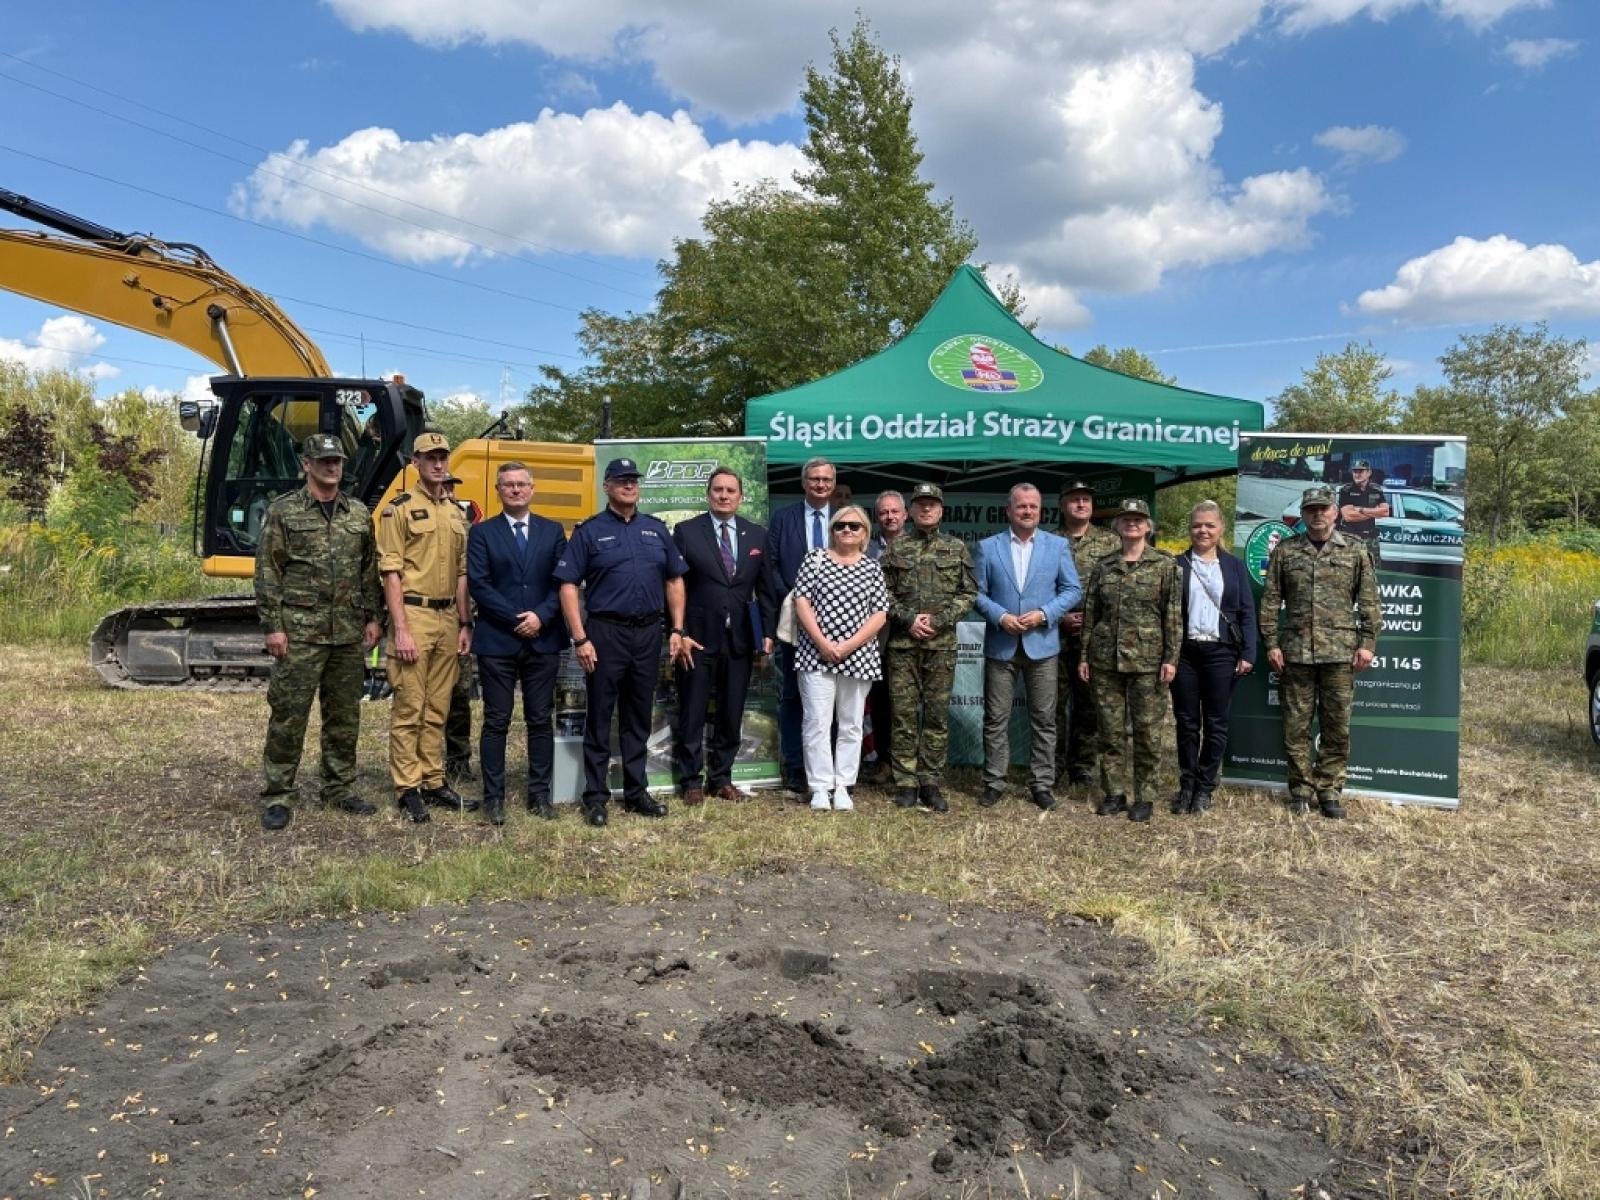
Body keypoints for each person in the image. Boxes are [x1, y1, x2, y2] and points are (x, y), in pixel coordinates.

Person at [254, 433, 384, 831]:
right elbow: (268, 571)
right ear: (307, 464)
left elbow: (368, 571)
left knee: (344, 716)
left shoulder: (357, 513)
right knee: (289, 716)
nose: (332, 466)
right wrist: (274, 627)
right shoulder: (284, 511)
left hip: (346, 632)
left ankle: (338, 788)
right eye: (324, 460)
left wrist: (374, 618)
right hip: (300, 633)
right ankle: (278, 794)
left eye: (337, 460)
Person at [556, 457, 690, 828]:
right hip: (605, 633)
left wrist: (677, 629)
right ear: (607, 486)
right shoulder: (589, 531)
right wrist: (579, 637)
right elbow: (568, 585)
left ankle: (636, 793)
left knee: (638, 716)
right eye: (621, 480)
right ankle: (596, 796)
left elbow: (675, 580)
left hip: (648, 633)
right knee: (600, 716)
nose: (629, 485)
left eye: (633, 480)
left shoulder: (656, 530)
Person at [1260, 485, 1382, 818]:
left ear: (1335, 512)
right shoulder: (1286, 551)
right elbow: (1270, 601)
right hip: (1296, 652)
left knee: (1336, 725)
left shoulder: (1355, 550)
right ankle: (1300, 790)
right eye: (1311, 509)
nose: (1317, 514)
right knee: (1295, 726)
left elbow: (1369, 601)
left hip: (1340, 653)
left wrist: (1368, 644)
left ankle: (1329, 790)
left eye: (1323, 508)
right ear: (1302, 514)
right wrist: (1271, 643)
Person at [379, 431, 476, 822]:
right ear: (415, 462)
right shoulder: (399, 510)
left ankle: (434, 781)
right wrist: (401, 628)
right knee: (409, 706)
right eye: (429, 457)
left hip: (448, 617)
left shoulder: (456, 513)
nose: (438, 464)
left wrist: (465, 623)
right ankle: (407, 787)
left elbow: (463, 573)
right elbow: (391, 572)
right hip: (414, 614)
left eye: (442, 457)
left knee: (438, 705)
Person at [467, 461, 567, 826]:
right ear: (498, 491)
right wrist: (516, 619)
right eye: (508, 484)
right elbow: (479, 584)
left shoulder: (552, 531)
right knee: (496, 720)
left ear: (532, 488)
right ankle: (493, 797)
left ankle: (539, 794)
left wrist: (540, 616)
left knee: (540, 719)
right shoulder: (482, 533)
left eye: (521, 484)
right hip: (498, 640)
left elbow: (562, 582)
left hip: (543, 637)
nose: (515, 489)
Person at [670, 467, 778, 806]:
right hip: (697, 640)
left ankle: (721, 778)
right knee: (693, 712)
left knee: (732, 712)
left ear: (741, 497)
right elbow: (674, 586)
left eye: (731, 490)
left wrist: (768, 632)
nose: (724, 495)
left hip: (740, 640)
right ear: (708, 494)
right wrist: (679, 632)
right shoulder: (686, 532)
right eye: (718, 489)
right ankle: (691, 781)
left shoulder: (757, 534)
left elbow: (766, 589)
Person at [973, 483, 1082, 811]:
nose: (1027, 511)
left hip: (1042, 646)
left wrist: (1044, 614)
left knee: (1045, 719)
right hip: (1001, 644)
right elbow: (975, 593)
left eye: (1033, 506)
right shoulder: (987, 547)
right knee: (996, 719)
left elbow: (1072, 589)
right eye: (1021, 506)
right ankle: (994, 782)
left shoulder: (1057, 546)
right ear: (1009, 510)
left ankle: (1042, 784)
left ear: (1041, 511)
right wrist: (1001, 616)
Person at [1078, 498, 1181, 823]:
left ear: (1148, 526)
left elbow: (1173, 616)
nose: (1132, 523)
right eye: (1126, 519)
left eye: (1138, 519)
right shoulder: (1104, 566)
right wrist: (1084, 656)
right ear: (1117, 526)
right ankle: (1114, 793)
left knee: (1148, 733)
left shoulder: (1165, 565)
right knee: (1110, 732)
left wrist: (1171, 658)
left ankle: (1145, 796)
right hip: (1105, 660)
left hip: (1149, 663)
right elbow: (1091, 614)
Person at [881, 482, 977, 813]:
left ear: (941, 510)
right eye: (920, 503)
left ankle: (930, 781)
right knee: (903, 716)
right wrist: (909, 619)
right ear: (910, 510)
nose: (926, 508)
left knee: (936, 716)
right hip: (903, 645)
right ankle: (906, 782)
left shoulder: (956, 548)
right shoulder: (895, 548)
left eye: (932, 504)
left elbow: (969, 593)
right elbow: (882, 593)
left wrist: (939, 621)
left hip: (941, 645)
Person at [791, 504, 889, 811]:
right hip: (815, 654)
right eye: (840, 525)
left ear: (865, 533)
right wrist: (823, 643)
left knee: (851, 724)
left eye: (854, 526)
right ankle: (820, 787)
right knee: (816, 722)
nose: (846, 530)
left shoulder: (872, 567)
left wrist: (847, 647)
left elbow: (879, 614)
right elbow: (801, 602)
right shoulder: (815, 559)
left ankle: (844, 785)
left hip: (858, 656)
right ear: (832, 530)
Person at [1172, 501, 1257, 815]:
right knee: (1186, 723)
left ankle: (1205, 787)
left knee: (1216, 723)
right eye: (1197, 525)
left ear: (1221, 528)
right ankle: (1187, 785)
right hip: (1185, 653)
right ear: (1190, 529)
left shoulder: (1234, 566)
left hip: (1222, 653)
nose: (1203, 531)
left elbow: (1247, 612)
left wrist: (1249, 652)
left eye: (1209, 525)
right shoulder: (1176, 564)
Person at [766, 456, 838, 793]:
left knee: (833, 698)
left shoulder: (845, 519)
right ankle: (796, 766)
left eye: (826, 479)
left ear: (833, 484)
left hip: (839, 624)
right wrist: (795, 600)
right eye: (814, 479)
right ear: (804, 482)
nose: (820, 484)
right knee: (794, 696)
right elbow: (771, 564)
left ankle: (830, 767)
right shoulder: (783, 519)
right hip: (794, 621)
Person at [1055, 479, 1120, 787]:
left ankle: (1082, 765)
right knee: (1052, 705)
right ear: (1062, 505)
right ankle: (1052, 765)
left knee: (1089, 705)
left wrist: (1093, 620)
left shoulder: (1111, 542)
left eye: (1086, 499)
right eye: (1074, 499)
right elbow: (1037, 586)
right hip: (1054, 633)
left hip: (1095, 636)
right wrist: (1060, 617)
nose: (1081, 504)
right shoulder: (1048, 540)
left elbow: (1118, 589)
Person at [862, 490, 906, 782]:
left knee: (905, 705)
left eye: (894, 511)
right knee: (879, 701)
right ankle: (885, 761)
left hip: (910, 636)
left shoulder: (919, 548)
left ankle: (907, 763)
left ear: (905, 515)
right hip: (876, 638)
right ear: (877, 517)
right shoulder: (865, 550)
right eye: (883, 512)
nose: (889, 517)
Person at [443, 473, 478, 784]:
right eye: (444, 486)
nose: (449, 491)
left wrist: (468, 620)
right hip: (425, 618)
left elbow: (472, 576)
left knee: (459, 693)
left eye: (451, 487)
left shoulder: (466, 527)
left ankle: (458, 759)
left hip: (458, 620)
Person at [1337, 459, 1388, 567]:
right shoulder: (1346, 490)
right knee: (1348, 570)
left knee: (1371, 569)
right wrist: (1375, 511)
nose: (1357, 474)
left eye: (1361, 471)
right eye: (1355, 471)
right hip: (1350, 538)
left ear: (1369, 473)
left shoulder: (1376, 489)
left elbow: (1385, 512)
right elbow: (1348, 516)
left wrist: (1361, 510)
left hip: (1370, 539)